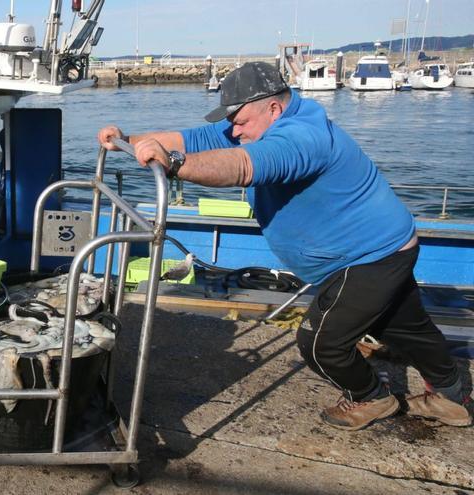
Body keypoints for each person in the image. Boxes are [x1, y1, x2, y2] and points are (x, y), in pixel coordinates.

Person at [97, 61, 472, 431]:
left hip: (369, 256)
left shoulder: (302, 137)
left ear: (273, 108)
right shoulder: (255, 126)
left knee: (321, 343)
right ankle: (452, 398)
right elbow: (191, 139)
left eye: (239, 121)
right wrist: (129, 141)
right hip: (387, 245)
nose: (234, 130)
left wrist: (174, 164)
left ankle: (371, 396)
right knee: (404, 326)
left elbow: (243, 167)